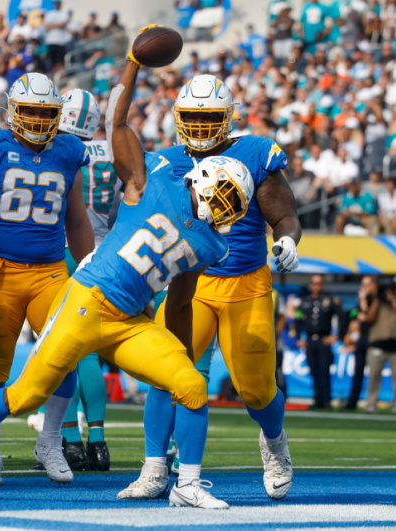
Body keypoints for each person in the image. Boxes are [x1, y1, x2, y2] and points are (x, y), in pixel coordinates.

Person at [0, 41, 251, 506]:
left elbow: (180, 297)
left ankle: (188, 485)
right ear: (203, 181)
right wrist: (132, 65)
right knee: (29, 391)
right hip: (86, 302)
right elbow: (117, 121)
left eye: (235, 204)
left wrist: (174, 349)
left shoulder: (214, 242)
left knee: (191, 383)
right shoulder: (149, 181)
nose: (226, 208)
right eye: (226, 195)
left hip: (129, 322)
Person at [121, 73, 300, 503]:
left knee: (256, 388)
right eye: (192, 119)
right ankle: (154, 468)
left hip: (247, 283)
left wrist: (288, 239)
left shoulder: (255, 152)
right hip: (190, 284)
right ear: (179, 119)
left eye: (210, 119)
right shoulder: (165, 162)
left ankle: (274, 442)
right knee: (167, 376)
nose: (200, 128)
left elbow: (284, 213)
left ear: (228, 117)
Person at [0, 72, 94, 486]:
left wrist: (88, 268)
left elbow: (77, 219)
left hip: (50, 271)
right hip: (0, 270)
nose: (35, 118)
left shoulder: (68, 150)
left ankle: (50, 441)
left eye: (44, 111)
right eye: (28, 109)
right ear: (12, 110)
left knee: (64, 353)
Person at [49, 88, 116, 471]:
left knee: (62, 349)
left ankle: (69, 442)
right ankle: (100, 442)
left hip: (62, 249)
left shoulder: (58, 149)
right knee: (88, 351)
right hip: (104, 254)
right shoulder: (112, 152)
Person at [365, 276, 396, 414]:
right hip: (378, 343)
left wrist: (392, 300)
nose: (395, 290)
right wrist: (376, 298)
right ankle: (371, 403)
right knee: (374, 375)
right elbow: (370, 318)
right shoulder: (377, 302)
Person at [296, 275, 340, 410]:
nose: (316, 286)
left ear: (323, 285)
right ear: (311, 285)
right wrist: (299, 337)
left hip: (324, 340)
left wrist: (336, 336)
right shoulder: (304, 301)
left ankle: (326, 400)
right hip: (310, 340)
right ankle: (317, 399)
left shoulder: (330, 300)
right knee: (314, 371)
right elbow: (298, 319)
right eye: (314, 284)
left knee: (324, 370)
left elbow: (342, 316)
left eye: (319, 283)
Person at [344, 275, 376, 410]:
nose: (363, 288)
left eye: (366, 285)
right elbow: (354, 315)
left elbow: (369, 317)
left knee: (374, 373)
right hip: (362, 338)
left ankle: (371, 403)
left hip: (374, 339)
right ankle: (352, 402)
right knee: (358, 372)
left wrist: (363, 303)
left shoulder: (376, 300)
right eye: (362, 285)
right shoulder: (360, 301)